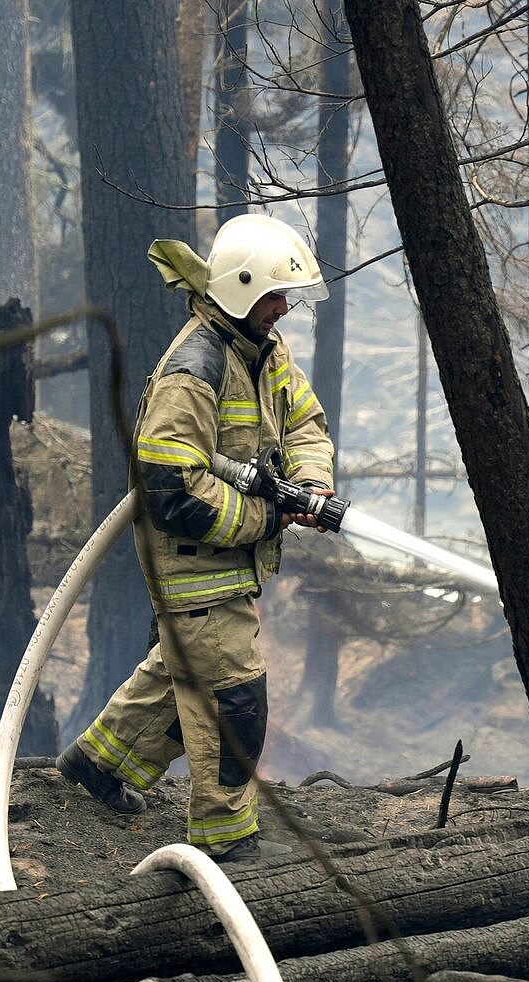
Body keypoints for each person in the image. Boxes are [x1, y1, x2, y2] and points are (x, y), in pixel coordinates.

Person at [55, 213, 337, 863]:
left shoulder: (264, 353)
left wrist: (312, 482)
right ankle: (224, 835)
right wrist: (266, 518)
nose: (283, 309)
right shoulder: (195, 367)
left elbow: (305, 423)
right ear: (239, 289)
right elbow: (170, 490)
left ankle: (99, 764)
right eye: (273, 296)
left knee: (179, 675)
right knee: (230, 696)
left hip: (231, 558)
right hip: (191, 560)